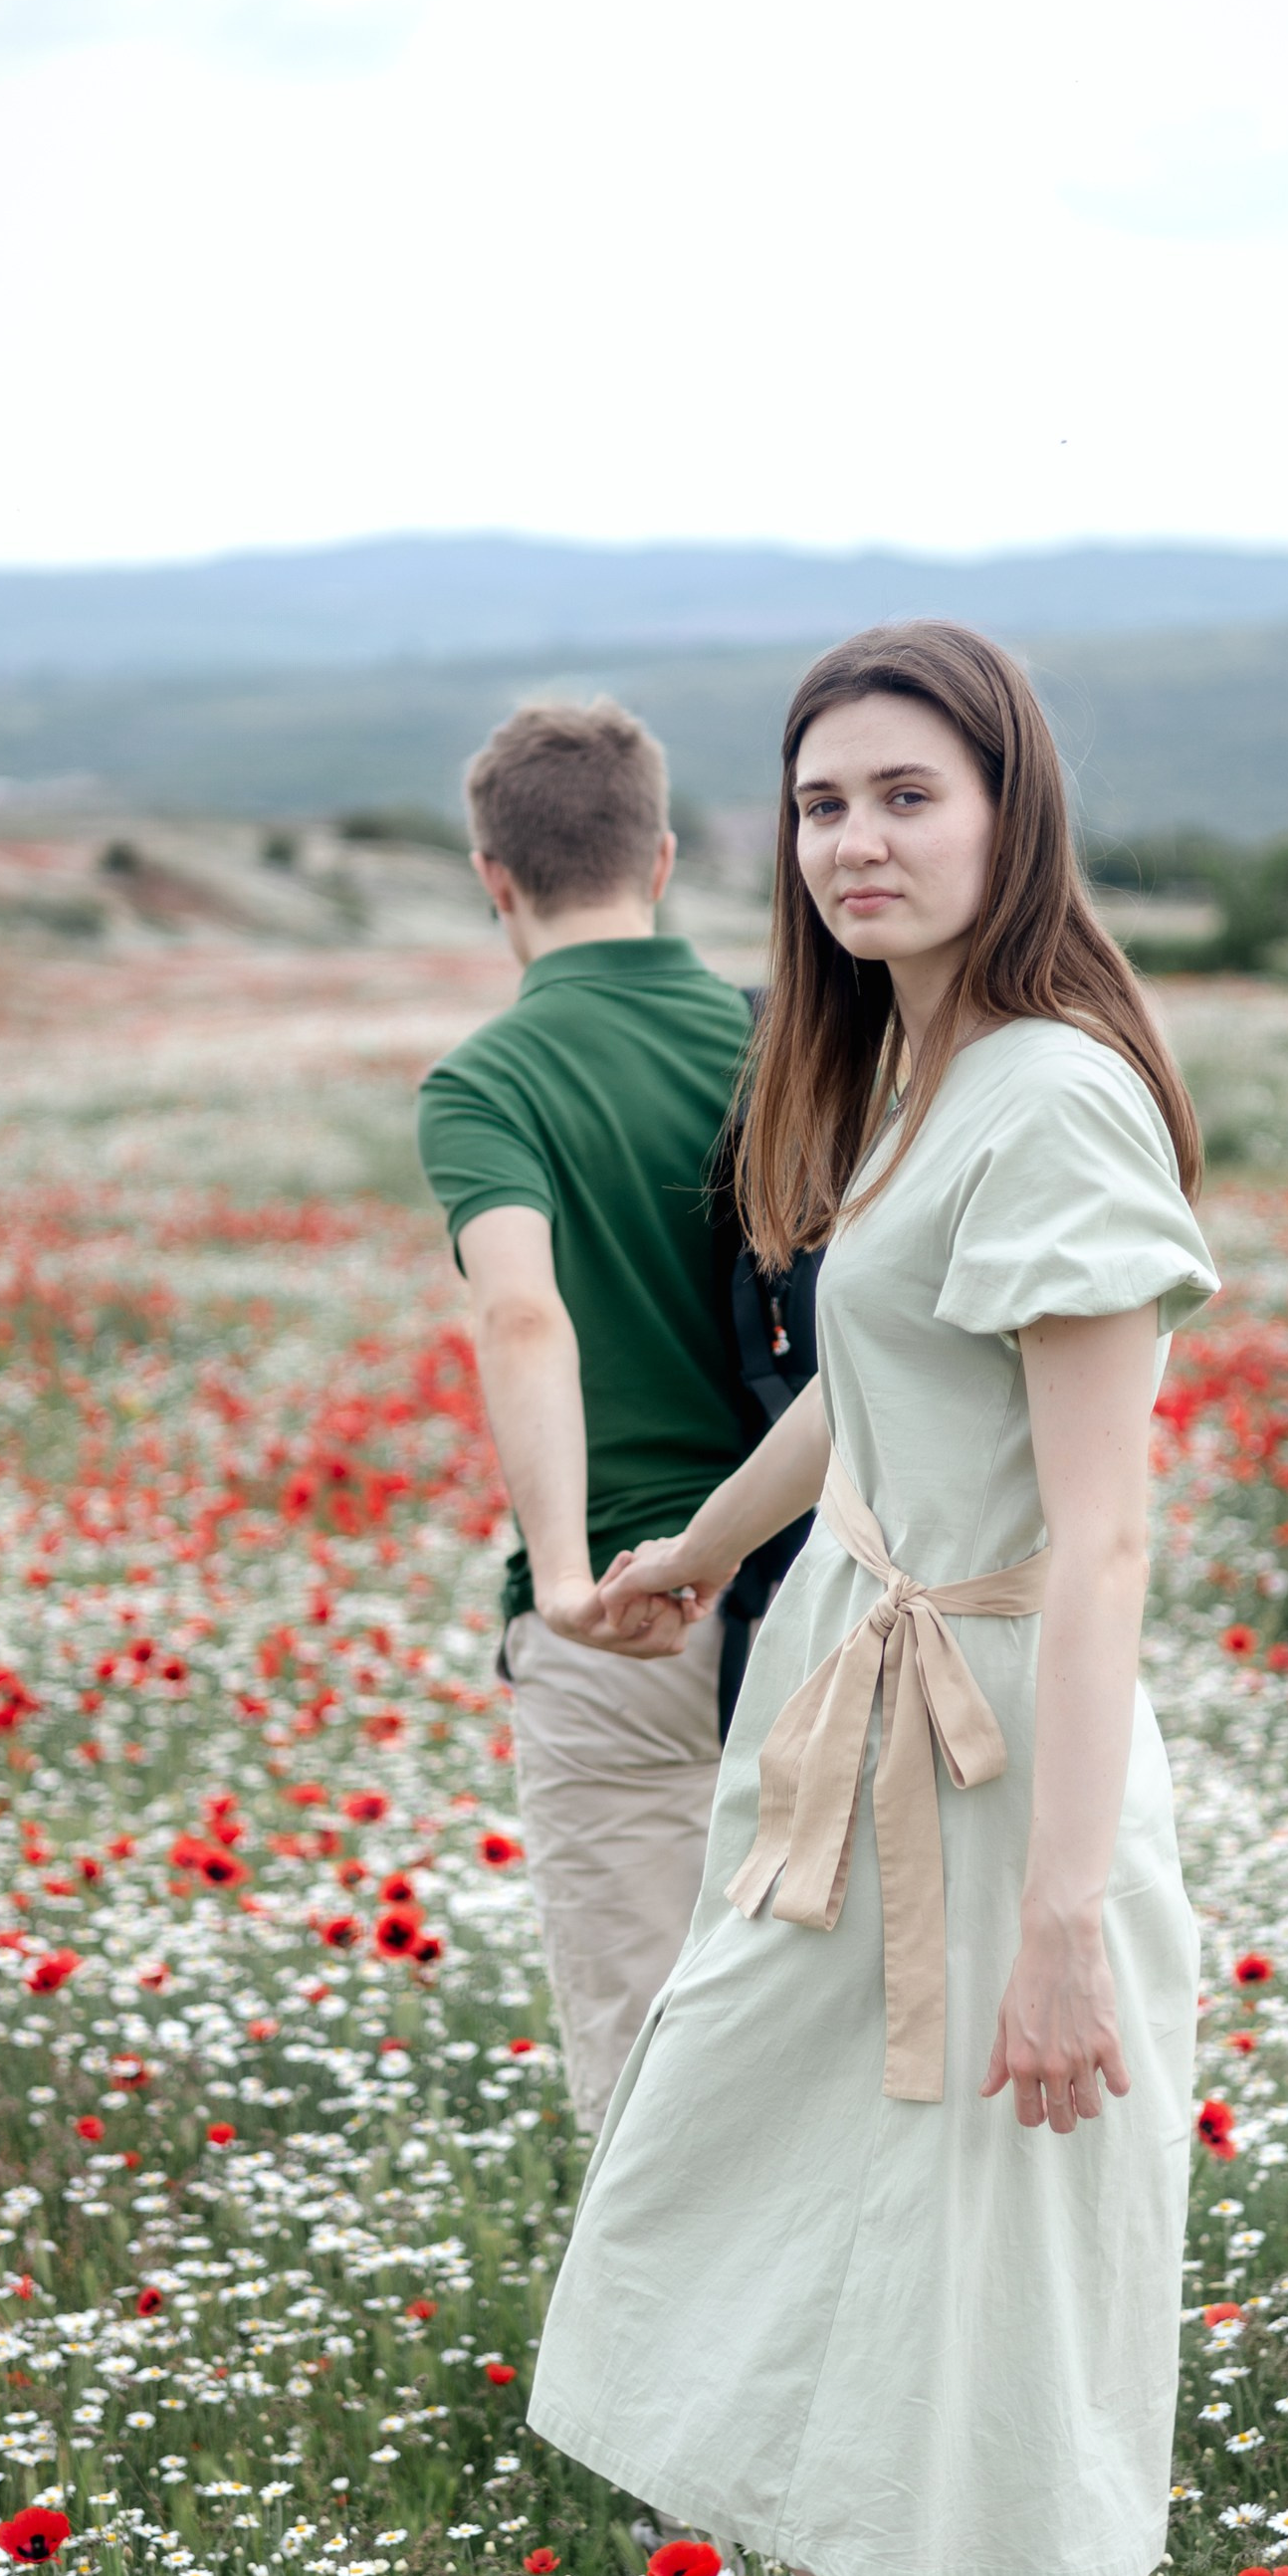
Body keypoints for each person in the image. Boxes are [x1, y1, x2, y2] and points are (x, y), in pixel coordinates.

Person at [527, 620, 1218, 2576]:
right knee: (942, 2315)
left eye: (907, 795)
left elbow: (1103, 1536)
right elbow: (874, 1391)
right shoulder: (917, 1080)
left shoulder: (1053, 1095)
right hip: (864, 1728)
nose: (858, 843)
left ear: (1011, 808)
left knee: (693, 2266)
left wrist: (1060, 1931)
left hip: (999, 1778)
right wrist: (702, 1554)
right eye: (822, 806)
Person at [416, 695, 772, 2134]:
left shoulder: (487, 1081)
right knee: (843, 2060)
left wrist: (565, 1576)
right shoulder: (790, 1038)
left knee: (649, 2092)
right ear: (665, 859)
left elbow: (521, 1313)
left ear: (494, 880)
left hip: (622, 1621)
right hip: (816, 1602)